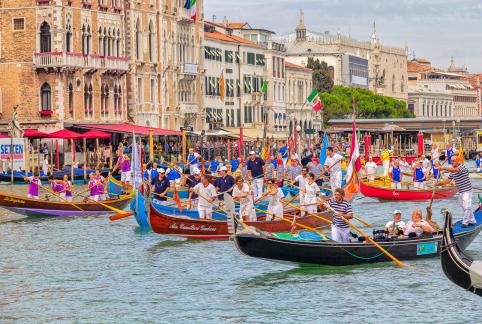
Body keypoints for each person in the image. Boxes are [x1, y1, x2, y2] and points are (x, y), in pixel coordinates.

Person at [438, 156, 476, 227]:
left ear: (458, 161)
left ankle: (465, 222)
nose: (452, 162)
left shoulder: (462, 167)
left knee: (467, 206)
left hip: (467, 190)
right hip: (461, 191)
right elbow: (447, 181)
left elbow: (455, 170)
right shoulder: (452, 171)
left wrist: (443, 168)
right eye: (451, 161)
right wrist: (438, 183)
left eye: (454, 161)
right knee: (465, 207)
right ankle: (472, 220)